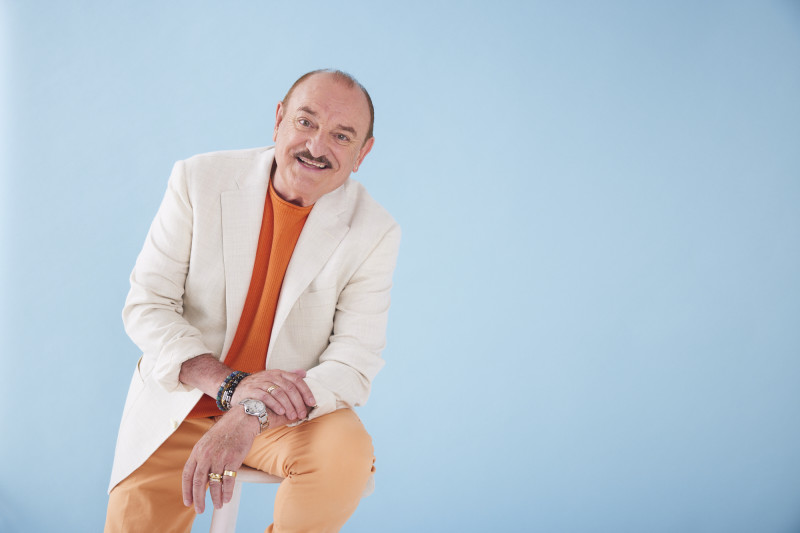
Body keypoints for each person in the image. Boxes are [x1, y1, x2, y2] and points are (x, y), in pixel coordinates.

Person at [105, 69, 401, 533]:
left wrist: (251, 411)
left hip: (286, 419)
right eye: (306, 122)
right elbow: (148, 304)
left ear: (363, 153)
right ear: (279, 120)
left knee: (346, 452)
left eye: (341, 136)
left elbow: (354, 360)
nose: (316, 146)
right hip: (183, 401)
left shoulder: (375, 231)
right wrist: (228, 387)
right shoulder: (199, 179)